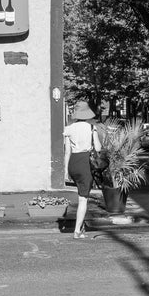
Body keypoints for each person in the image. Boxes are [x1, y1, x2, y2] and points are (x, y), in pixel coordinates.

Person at [63, 101, 102, 239]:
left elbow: (67, 152)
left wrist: (66, 170)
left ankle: (81, 225)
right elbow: (98, 148)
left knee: (80, 192)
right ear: (87, 114)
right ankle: (77, 230)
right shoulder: (92, 127)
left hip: (73, 163)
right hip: (85, 163)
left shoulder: (69, 128)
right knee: (83, 199)